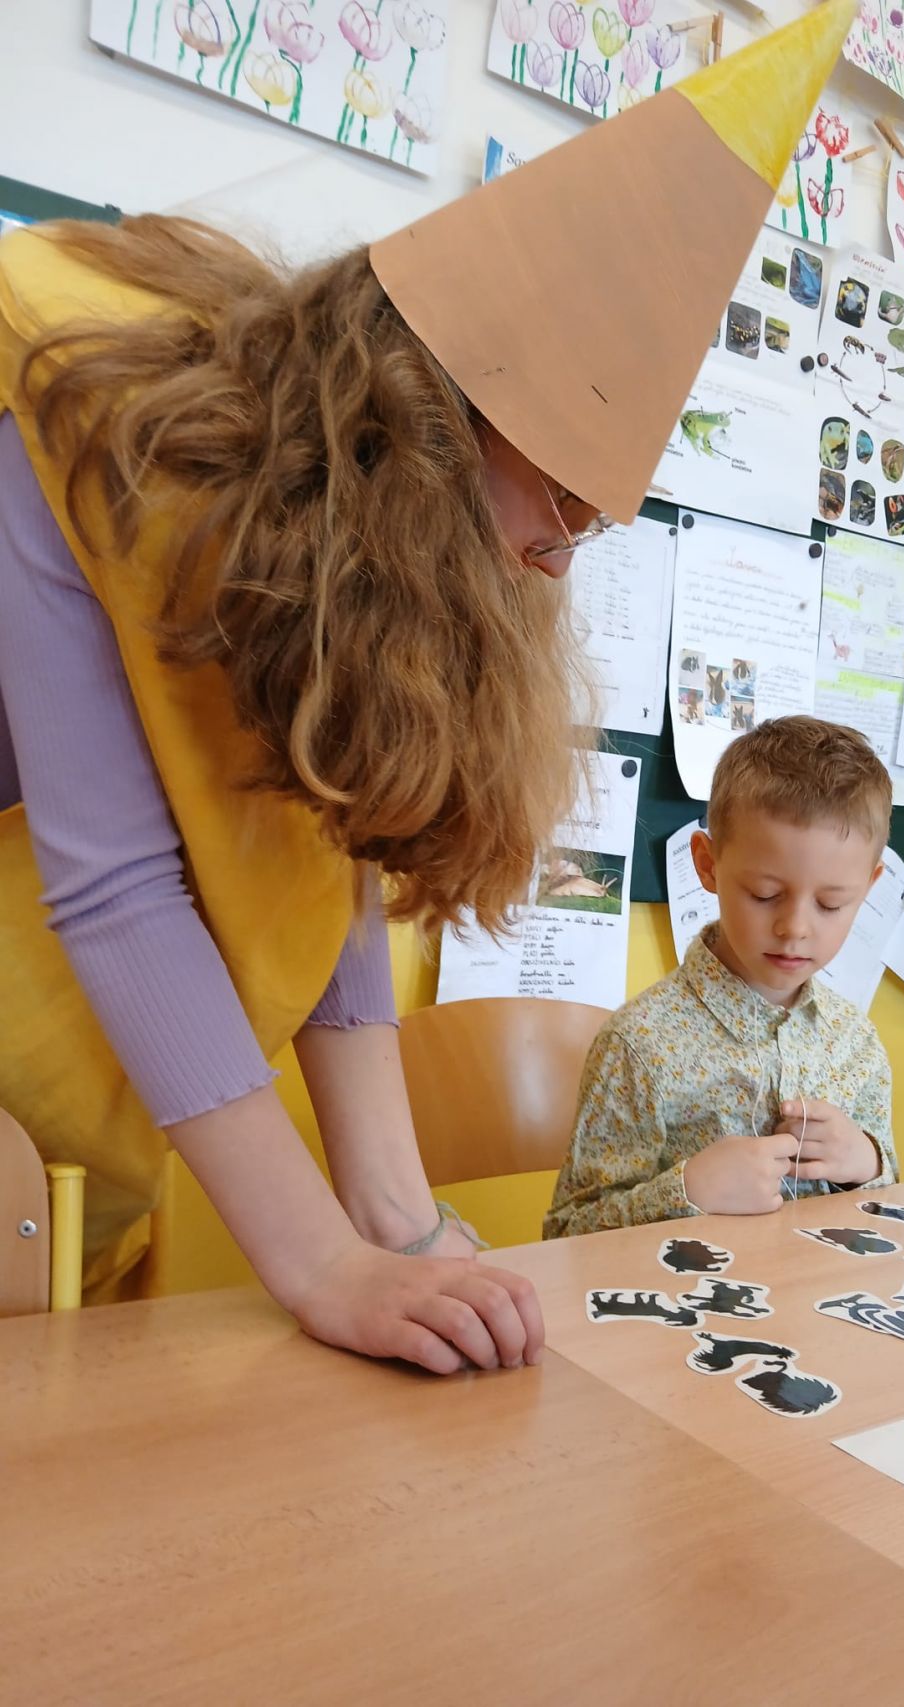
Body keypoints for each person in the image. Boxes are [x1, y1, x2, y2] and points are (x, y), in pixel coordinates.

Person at [0, 2, 857, 1370]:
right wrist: (321, 1261)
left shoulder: (387, 563)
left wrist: (395, 1219)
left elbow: (332, 828)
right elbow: (115, 888)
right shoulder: (79, 423)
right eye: (559, 503)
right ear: (433, 423)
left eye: (593, 525)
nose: (555, 559)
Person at [545, 717, 897, 1237]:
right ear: (708, 866)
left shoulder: (856, 1044)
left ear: (867, 887)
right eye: (765, 894)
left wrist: (866, 1162)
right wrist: (685, 1191)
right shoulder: (638, 1045)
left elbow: (885, 1212)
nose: (795, 928)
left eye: (831, 903)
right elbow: (567, 1235)